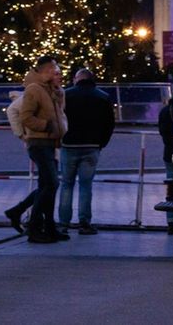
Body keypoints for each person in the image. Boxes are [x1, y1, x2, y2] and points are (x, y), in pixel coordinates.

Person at [6, 56, 68, 244]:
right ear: (45, 71)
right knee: (51, 184)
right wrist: (45, 126)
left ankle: (46, 226)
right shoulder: (34, 90)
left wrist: (58, 93)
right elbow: (25, 116)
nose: (58, 75)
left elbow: (58, 114)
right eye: (55, 71)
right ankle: (33, 227)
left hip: (51, 143)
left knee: (47, 185)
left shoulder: (51, 91)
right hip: (39, 143)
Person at [58, 68, 114, 235]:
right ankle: (84, 222)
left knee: (67, 184)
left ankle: (63, 224)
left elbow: (58, 119)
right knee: (86, 185)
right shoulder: (102, 97)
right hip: (92, 146)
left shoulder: (66, 95)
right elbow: (109, 124)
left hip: (69, 145)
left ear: (77, 79)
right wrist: (101, 143)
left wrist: (61, 139)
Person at [158, 95, 173, 235]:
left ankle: (171, 224)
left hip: (169, 153)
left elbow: (162, 132)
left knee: (171, 189)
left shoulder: (165, 111)